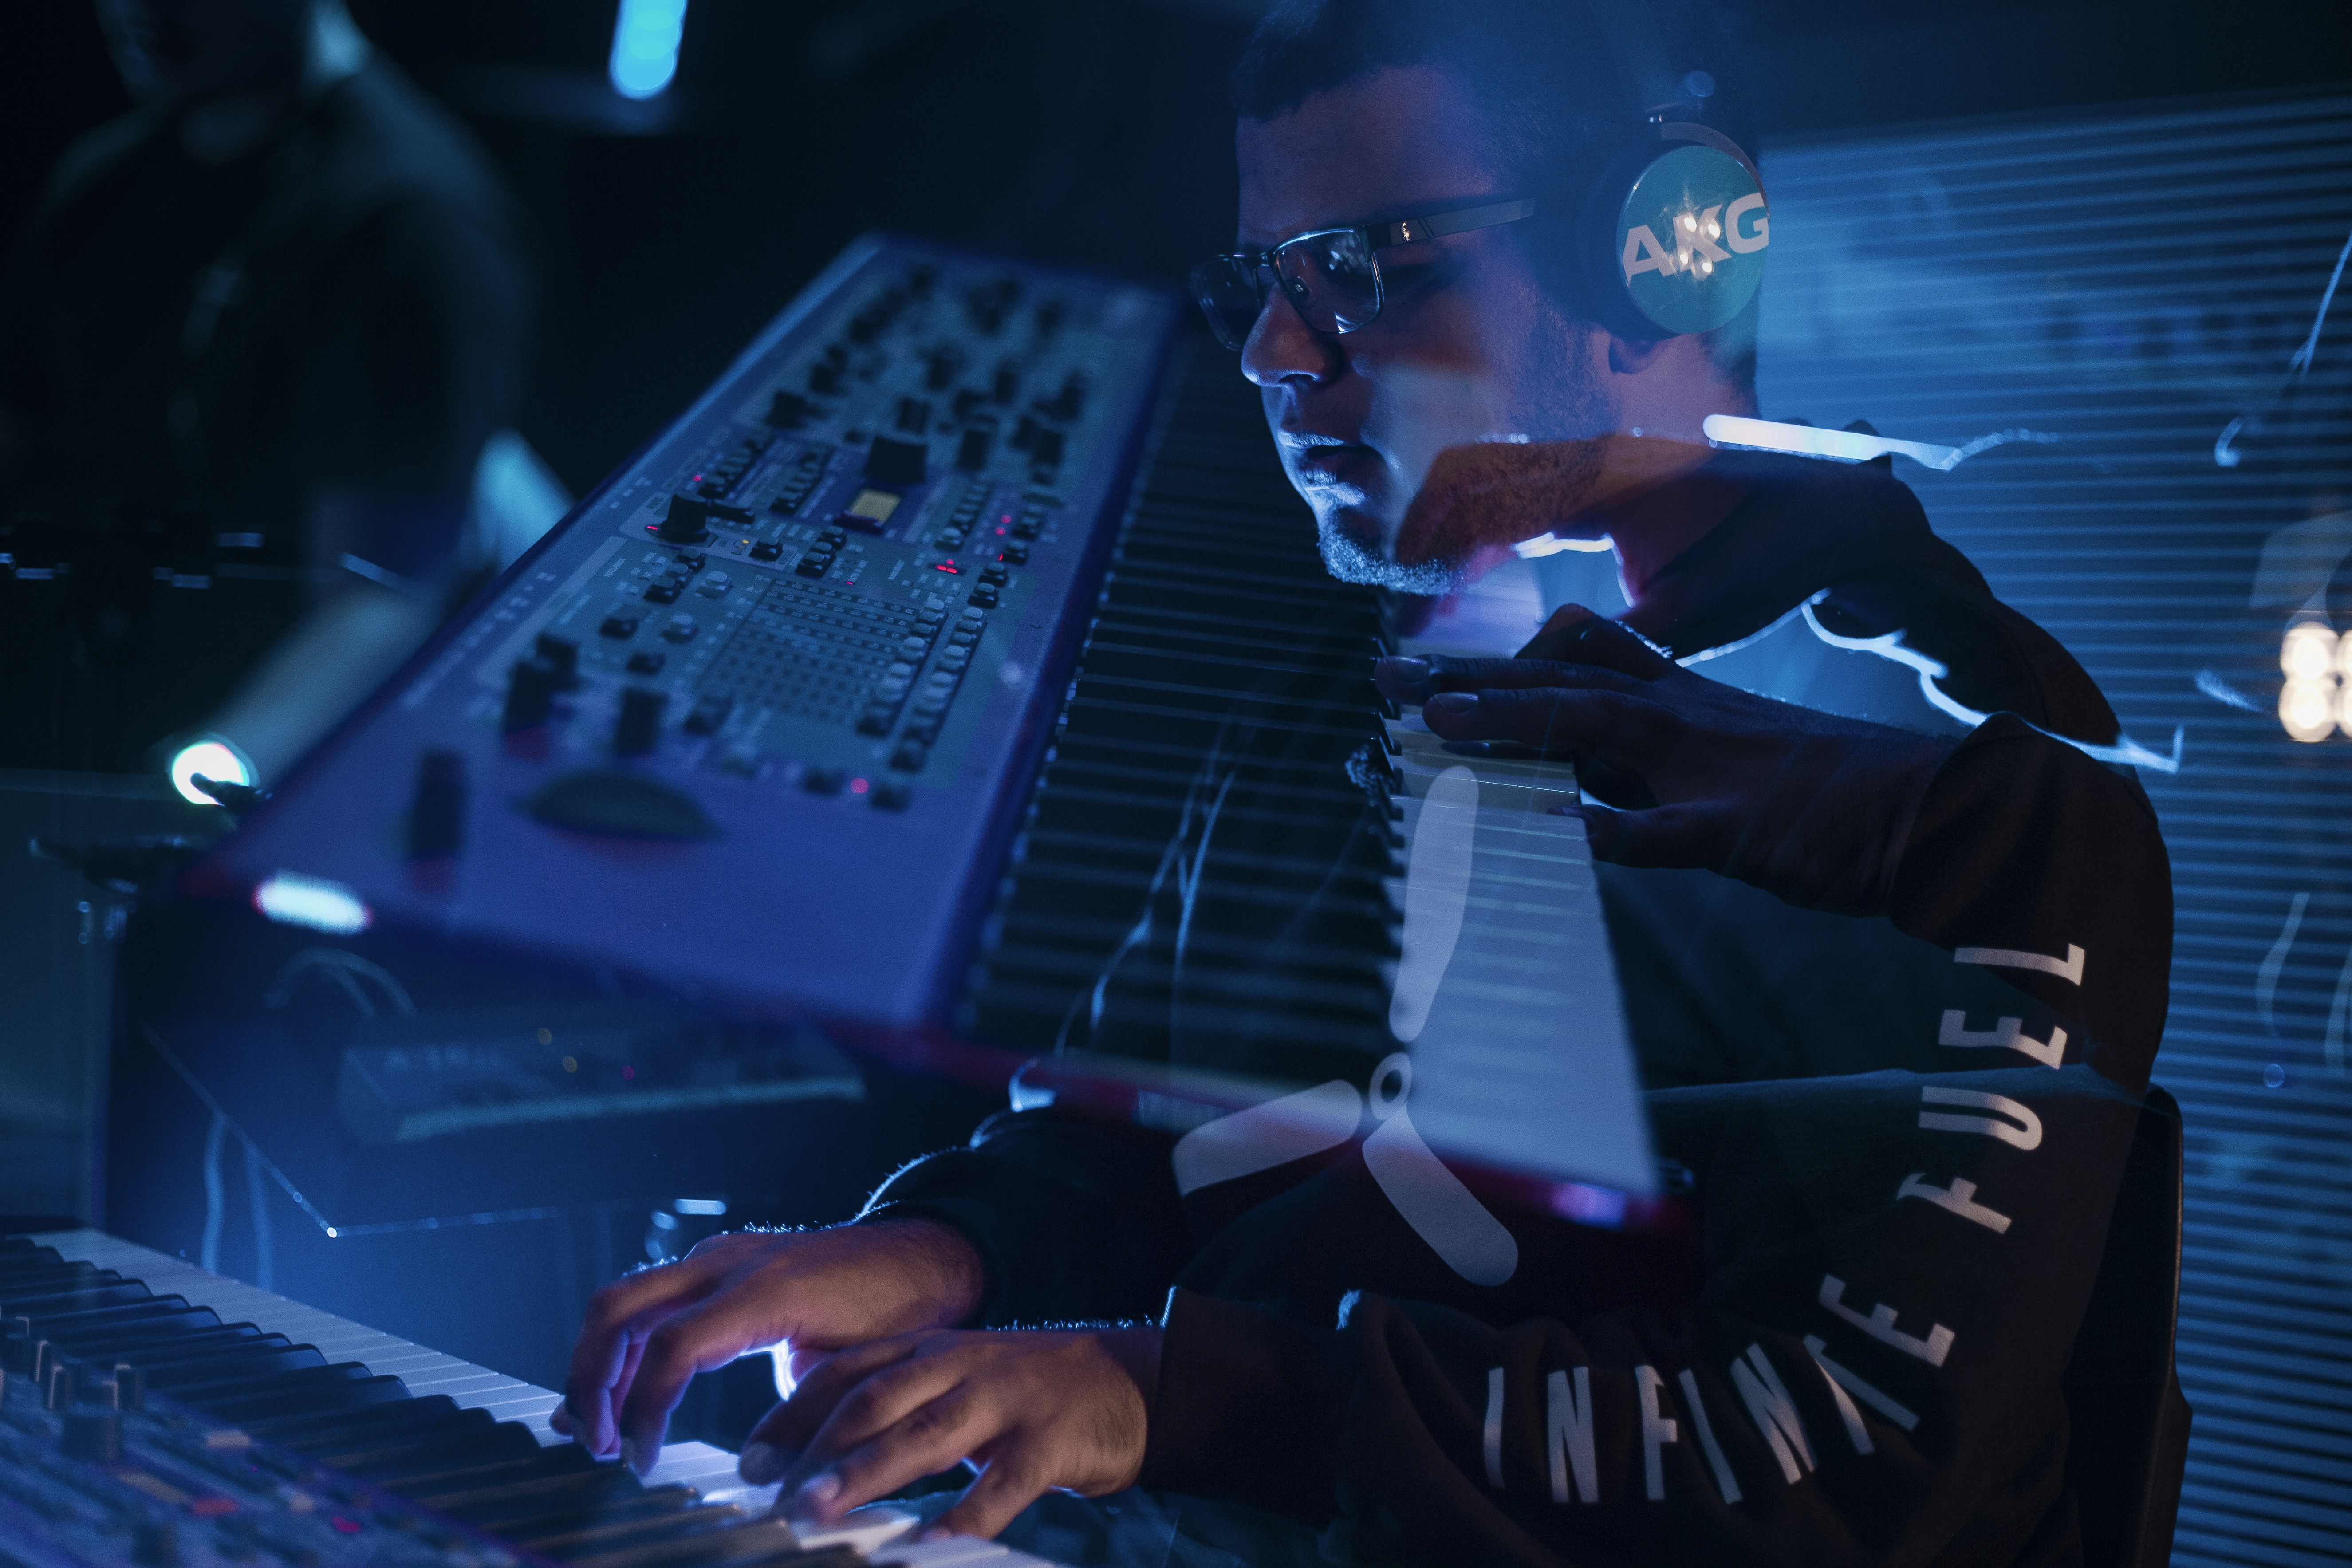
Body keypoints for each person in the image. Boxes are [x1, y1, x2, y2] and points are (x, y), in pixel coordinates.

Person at [551, 3, 2175, 1564]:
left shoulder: (1952, 759)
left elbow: (1825, 1457)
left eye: (1362, 270)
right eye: (1258, 280)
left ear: (1654, 256)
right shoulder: (1359, 690)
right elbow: (1137, 1143)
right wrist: (936, 1251)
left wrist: (1171, 1395)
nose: (1273, 351)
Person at [0, 0, 530, 782]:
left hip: (202, 770)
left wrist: (208, 775)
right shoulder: (100, 180)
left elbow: (382, 594)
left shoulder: (408, 221)